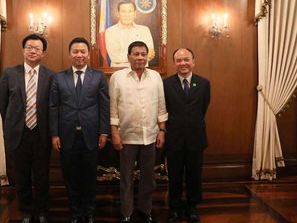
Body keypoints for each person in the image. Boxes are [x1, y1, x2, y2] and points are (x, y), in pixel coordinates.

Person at [49, 37, 110, 223]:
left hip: (91, 134)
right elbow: (53, 107)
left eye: (83, 51)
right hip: (66, 135)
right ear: (69, 55)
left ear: (88, 54)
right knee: (70, 176)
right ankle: (75, 212)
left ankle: (90, 211)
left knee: (90, 176)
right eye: (75, 51)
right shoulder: (58, 77)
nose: (79, 55)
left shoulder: (98, 77)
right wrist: (54, 134)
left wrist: (104, 132)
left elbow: (104, 106)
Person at [0, 34, 56, 223]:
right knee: (21, 176)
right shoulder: (9, 73)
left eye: (37, 48)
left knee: (41, 175)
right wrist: (12, 125)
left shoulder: (51, 76)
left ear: (43, 53)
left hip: (41, 133)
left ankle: (42, 211)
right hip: (18, 133)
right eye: (29, 47)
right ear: (23, 50)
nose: (32, 51)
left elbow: (54, 106)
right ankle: (26, 211)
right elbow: (2, 103)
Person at [109, 41, 168, 223]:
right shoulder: (117, 77)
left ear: (147, 57)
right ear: (128, 57)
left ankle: (145, 210)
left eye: (143, 54)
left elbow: (161, 106)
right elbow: (113, 109)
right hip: (126, 137)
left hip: (150, 136)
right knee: (126, 177)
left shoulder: (156, 77)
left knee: (148, 178)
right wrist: (115, 133)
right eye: (136, 54)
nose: (140, 57)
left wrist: (161, 130)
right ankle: (126, 212)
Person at [163, 48, 211, 223]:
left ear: (193, 61)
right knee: (174, 175)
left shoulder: (204, 83)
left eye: (186, 59)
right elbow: (164, 109)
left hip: (196, 138)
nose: (183, 63)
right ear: (174, 63)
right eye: (179, 60)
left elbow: (203, 108)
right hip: (174, 138)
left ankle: (192, 206)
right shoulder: (166, 84)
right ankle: (174, 208)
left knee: (194, 175)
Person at [105, 0, 155, 67]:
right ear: (118, 14)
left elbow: (150, 54)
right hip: (119, 73)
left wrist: (127, 56)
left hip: (142, 72)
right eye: (123, 11)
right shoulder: (110, 31)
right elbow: (115, 57)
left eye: (130, 11)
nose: (127, 15)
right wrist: (141, 55)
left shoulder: (144, 30)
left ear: (135, 13)